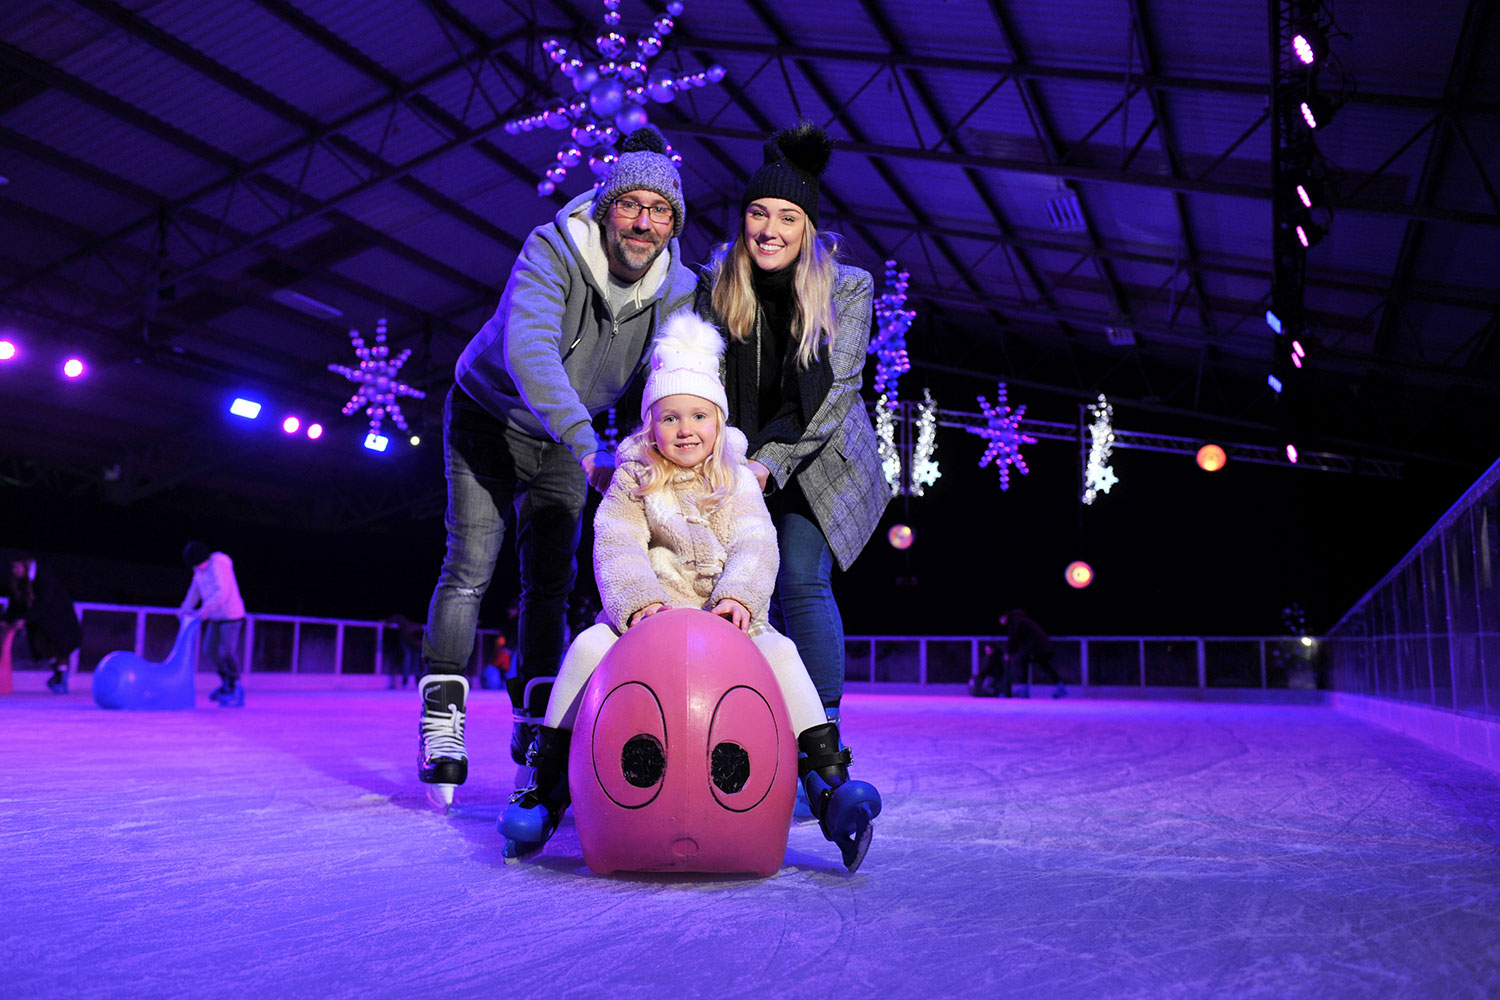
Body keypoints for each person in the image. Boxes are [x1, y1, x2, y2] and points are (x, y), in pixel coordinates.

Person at [499, 314, 881, 871]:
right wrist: (638, 603)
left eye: (699, 415)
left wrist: (741, 599)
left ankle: (828, 783)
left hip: (726, 621)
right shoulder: (634, 476)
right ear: (650, 422)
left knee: (783, 652)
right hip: (642, 623)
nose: (685, 429)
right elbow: (616, 543)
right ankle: (544, 786)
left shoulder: (735, 478)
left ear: (718, 420)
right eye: (670, 416)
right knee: (584, 650)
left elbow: (756, 543)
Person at [417, 125, 698, 811]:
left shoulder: (680, 288)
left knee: (553, 581)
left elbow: (673, 374)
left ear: (672, 223)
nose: (644, 222)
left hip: (568, 442)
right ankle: (442, 720)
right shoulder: (550, 249)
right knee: (472, 564)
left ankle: (536, 720)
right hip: (490, 414)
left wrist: (676, 451)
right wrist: (588, 444)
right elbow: (529, 352)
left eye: (660, 210)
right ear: (606, 209)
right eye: (631, 204)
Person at [693, 121, 888, 722]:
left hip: (822, 462)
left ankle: (819, 741)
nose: (769, 229)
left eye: (787, 216)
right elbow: (697, 374)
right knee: (748, 593)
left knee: (800, 579)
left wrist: (768, 464)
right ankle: (766, 726)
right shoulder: (719, 285)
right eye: (758, 213)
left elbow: (837, 393)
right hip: (740, 459)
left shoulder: (847, 288)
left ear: (808, 226)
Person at [180, 541, 248, 706]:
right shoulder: (199, 571)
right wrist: (185, 608)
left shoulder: (219, 565)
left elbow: (222, 591)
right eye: (194, 566)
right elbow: (194, 591)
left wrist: (206, 609)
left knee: (226, 651)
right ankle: (226, 682)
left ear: (206, 559)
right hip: (216, 617)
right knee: (209, 650)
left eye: (199, 564)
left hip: (232, 615)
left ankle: (235, 684)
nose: (198, 568)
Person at [4, 554, 82, 693]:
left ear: (26, 566)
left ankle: (60, 678)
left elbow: (42, 604)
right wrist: (7, 619)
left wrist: (25, 619)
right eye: (13, 567)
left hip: (59, 619)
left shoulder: (43, 578)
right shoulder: (19, 582)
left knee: (59, 648)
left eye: (17, 567)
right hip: (41, 621)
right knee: (41, 646)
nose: (14, 571)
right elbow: (15, 605)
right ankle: (59, 676)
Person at [999, 608, 1066, 698]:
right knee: (1041, 664)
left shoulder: (1014, 621)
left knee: (1022, 661)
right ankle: (1060, 687)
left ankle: (1024, 690)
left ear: (1004, 617)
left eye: (1001, 620)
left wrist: (1008, 652)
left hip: (1037, 646)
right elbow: (1019, 639)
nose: (1001, 622)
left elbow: (1013, 638)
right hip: (1040, 645)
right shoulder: (1020, 619)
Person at [382, 614, 423, 689]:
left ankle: (415, 678)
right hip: (408, 639)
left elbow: (417, 642)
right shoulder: (407, 627)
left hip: (414, 640)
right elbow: (397, 618)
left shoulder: (417, 634)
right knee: (408, 657)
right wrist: (387, 622)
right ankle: (406, 679)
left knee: (415, 658)